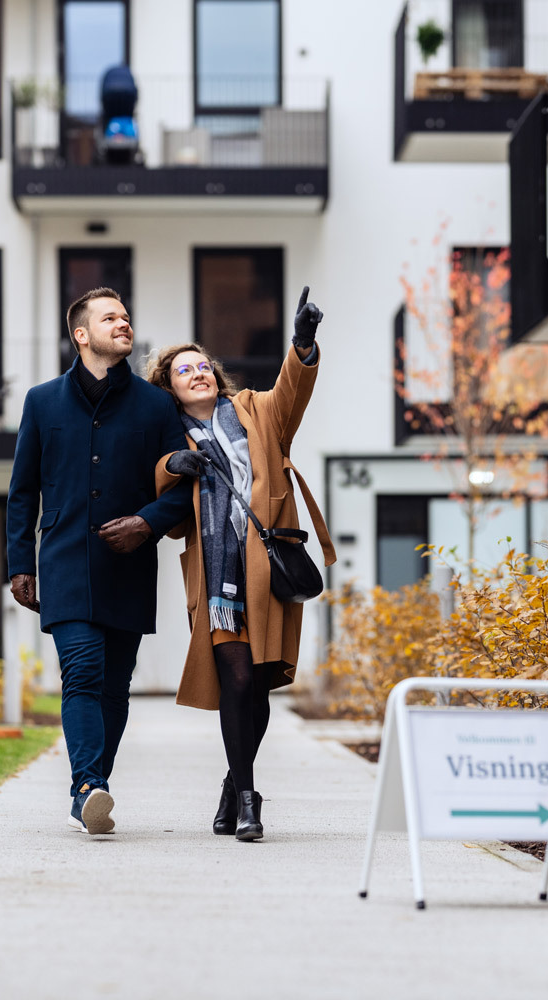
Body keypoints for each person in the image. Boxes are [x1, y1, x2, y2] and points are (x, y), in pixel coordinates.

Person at [149, 286, 335, 841]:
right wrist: (171, 463)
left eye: (203, 365)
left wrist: (301, 344)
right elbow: (152, 483)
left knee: (256, 684)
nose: (199, 372)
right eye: (185, 370)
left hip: (267, 570)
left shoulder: (254, 410)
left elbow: (291, 394)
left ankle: (234, 784)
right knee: (233, 678)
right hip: (216, 579)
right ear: (170, 386)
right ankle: (251, 800)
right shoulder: (170, 436)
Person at [7, 287, 194, 836]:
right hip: (64, 561)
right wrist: (21, 562)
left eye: (127, 317)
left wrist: (147, 524)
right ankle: (88, 785)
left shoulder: (157, 406)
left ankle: (91, 790)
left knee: (115, 686)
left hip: (128, 566)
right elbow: (22, 491)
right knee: (82, 670)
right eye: (110, 317)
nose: (124, 323)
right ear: (81, 334)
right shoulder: (42, 402)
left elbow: (182, 488)